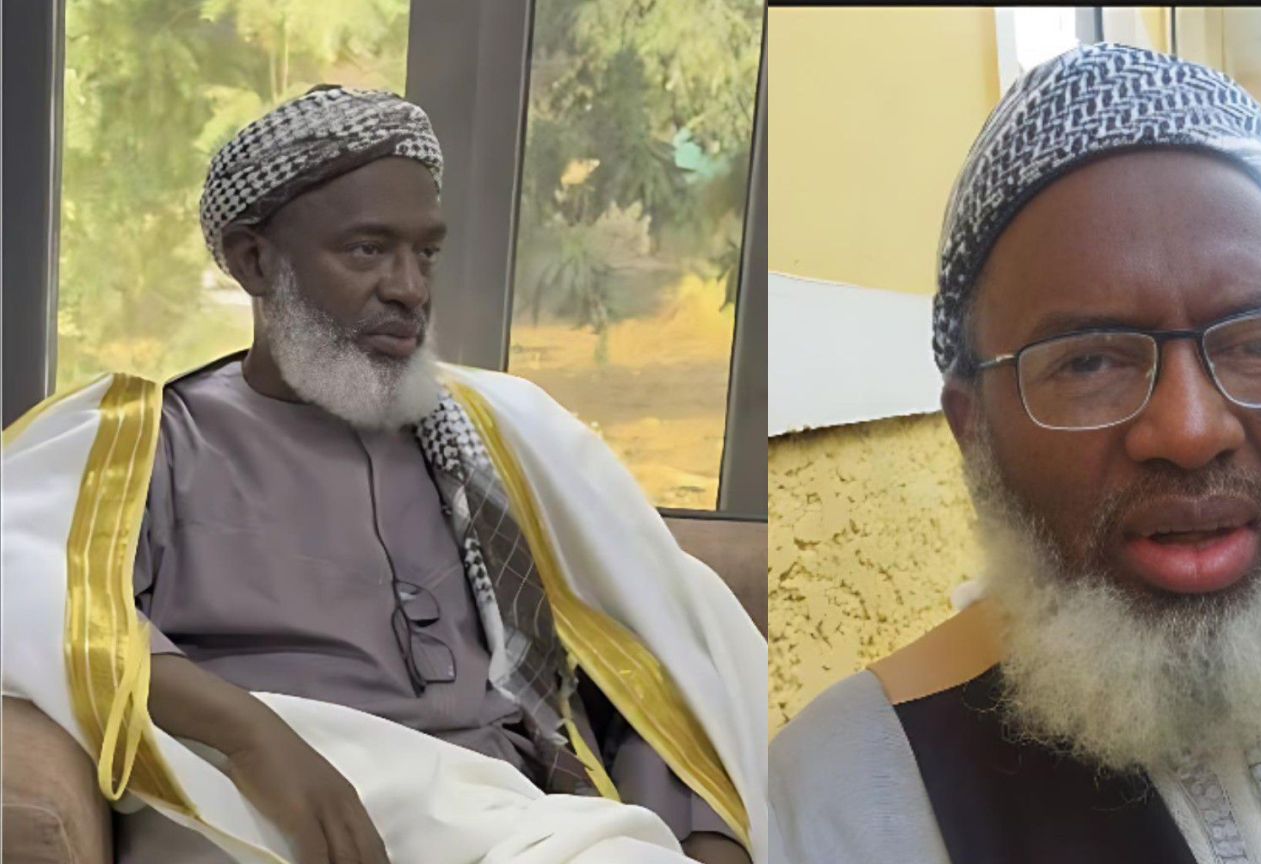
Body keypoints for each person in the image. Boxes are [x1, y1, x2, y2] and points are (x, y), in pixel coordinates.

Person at [769, 43, 1261, 863]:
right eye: (1090, 361)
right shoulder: (838, 801)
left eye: (1259, 343)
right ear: (974, 430)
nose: (1191, 431)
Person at [2, 86, 761, 864]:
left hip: (515, 820)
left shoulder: (499, 436)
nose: (409, 288)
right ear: (255, 260)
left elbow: (650, 655)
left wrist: (703, 828)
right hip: (274, 818)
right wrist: (250, 733)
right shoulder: (151, 442)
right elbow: (43, 602)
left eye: (425, 253)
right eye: (367, 250)